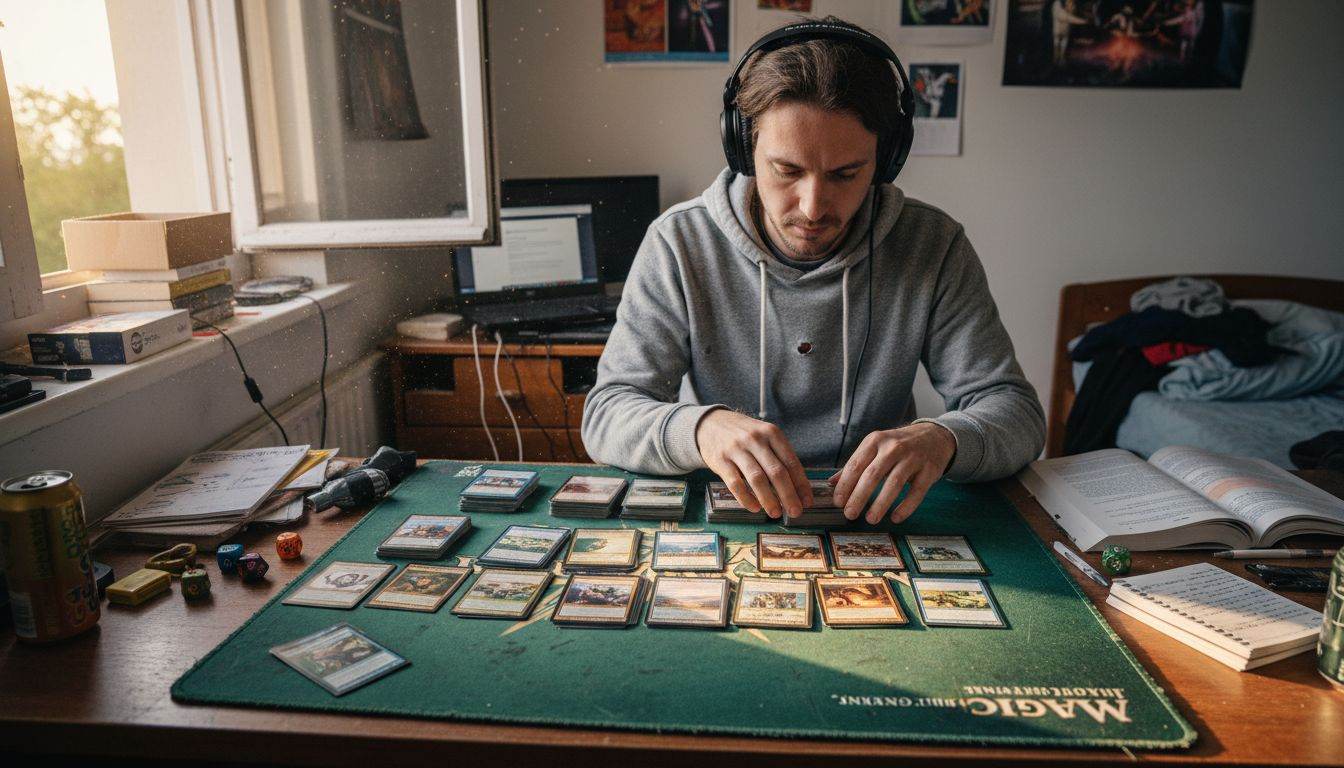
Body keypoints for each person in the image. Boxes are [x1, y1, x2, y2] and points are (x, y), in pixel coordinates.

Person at [581, 17, 1045, 526]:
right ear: (743, 148)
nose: (813, 206)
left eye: (846, 174)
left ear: (885, 160)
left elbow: (1016, 413)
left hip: (875, 520)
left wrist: (944, 439)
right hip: (730, 517)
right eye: (787, 170)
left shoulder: (933, 245)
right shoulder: (678, 242)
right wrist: (701, 428)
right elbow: (607, 415)